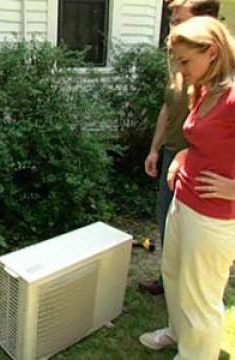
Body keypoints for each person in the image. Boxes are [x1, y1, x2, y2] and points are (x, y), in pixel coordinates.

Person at [140, 16, 235, 359]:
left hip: (214, 218)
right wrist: (181, 157)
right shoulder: (206, 90)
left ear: (211, 51)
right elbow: (201, 144)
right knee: (174, 274)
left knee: (202, 297)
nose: (180, 69)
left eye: (185, 61)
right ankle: (177, 333)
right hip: (184, 198)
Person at [139, 0, 220, 296]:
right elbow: (168, 107)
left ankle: (196, 285)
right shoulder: (180, 60)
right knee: (166, 218)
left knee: (196, 230)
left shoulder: (218, 72)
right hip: (175, 154)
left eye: (177, 14)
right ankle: (170, 280)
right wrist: (155, 149)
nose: (171, 19)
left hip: (203, 163)